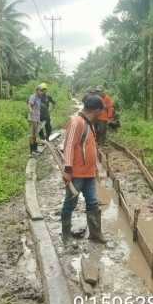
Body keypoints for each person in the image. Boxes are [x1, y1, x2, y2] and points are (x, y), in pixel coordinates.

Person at [61, 94, 107, 245]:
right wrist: (67, 170)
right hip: (77, 174)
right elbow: (68, 146)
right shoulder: (77, 122)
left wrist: (96, 170)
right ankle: (66, 235)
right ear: (95, 110)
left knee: (93, 203)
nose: (101, 114)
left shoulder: (89, 123)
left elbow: (90, 148)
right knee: (70, 203)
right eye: (101, 111)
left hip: (88, 173)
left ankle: (95, 234)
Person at [28, 85, 44, 154]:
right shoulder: (33, 97)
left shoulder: (39, 98)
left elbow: (38, 109)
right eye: (40, 91)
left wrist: (39, 120)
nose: (41, 92)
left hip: (37, 118)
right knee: (32, 135)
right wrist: (31, 111)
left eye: (42, 91)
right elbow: (29, 105)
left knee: (36, 134)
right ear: (37, 90)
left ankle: (35, 149)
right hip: (32, 119)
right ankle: (31, 151)